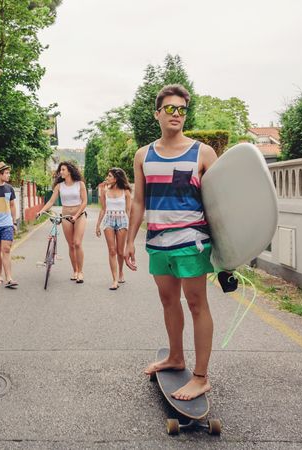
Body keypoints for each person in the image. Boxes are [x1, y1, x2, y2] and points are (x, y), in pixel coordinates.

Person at [125, 84, 218, 401]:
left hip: (192, 241)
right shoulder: (144, 155)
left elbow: (221, 202)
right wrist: (129, 241)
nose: (177, 114)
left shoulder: (203, 153)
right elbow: (138, 202)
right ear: (157, 114)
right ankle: (176, 357)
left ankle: (201, 376)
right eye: (170, 109)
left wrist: (230, 247)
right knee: (168, 302)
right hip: (158, 242)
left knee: (196, 304)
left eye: (182, 109)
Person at [37, 161, 88, 283]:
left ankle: (80, 272)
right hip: (65, 217)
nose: (61, 172)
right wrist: (41, 211)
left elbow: (85, 202)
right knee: (71, 245)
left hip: (79, 216)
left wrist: (76, 216)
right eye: (60, 170)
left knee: (77, 243)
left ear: (69, 171)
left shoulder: (80, 184)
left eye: (63, 169)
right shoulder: (59, 186)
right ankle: (75, 271)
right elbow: (51, 202)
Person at [95, 168, 132, 290]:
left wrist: (131, 226)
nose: (107, 177)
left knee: (120, 252)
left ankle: (121, 272)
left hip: (122, 221)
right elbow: (102, 209)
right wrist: (97, 225)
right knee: (112, 250)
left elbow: (128, 210)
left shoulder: (126, 191)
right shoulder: (105, 191)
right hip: (109, 220)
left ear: (116, 178)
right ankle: (115, 279)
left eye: (109, 176)